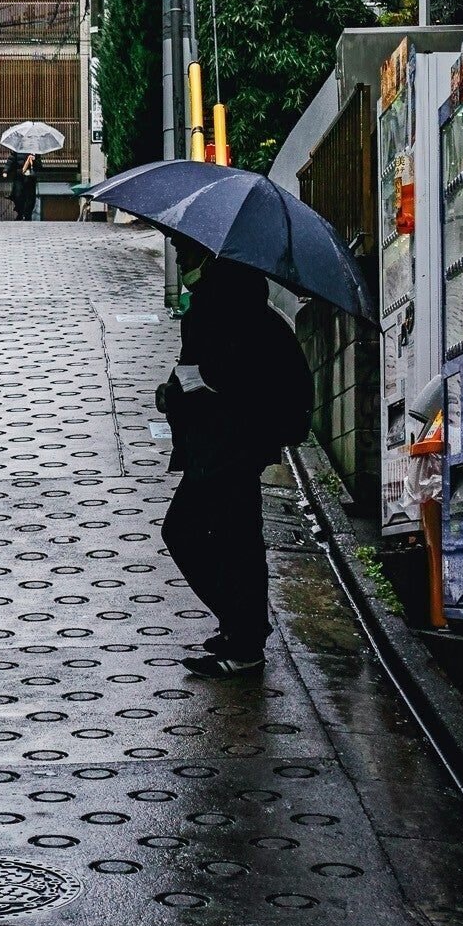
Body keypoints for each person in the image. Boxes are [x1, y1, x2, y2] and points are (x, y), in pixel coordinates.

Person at [159, 245, 314, 678]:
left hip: (226, 445)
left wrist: (177, 390)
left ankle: (245, 637)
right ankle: (241, 631)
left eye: (183, 252)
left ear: (204, 256)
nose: (177, 258)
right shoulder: (238, 298)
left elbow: (215, 376)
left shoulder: (219, 304)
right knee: (233, 538)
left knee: (195, 534)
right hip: (235, 443)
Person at [5, 149, 40, 222]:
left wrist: (34, 160)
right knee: (18, 195)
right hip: (19, 176)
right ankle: (20, 213)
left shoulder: (35, 151)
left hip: (30, 177)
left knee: (30, 197)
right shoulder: (17, 150)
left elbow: (39, 165)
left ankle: (27, 215)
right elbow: (11, 160)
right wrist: (6, 170)